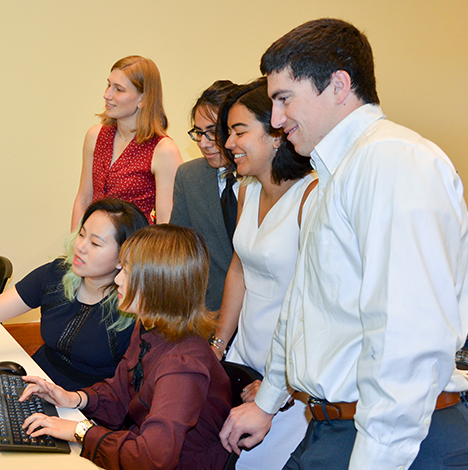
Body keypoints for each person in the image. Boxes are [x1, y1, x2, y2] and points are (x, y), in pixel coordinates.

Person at [219, 18, 468, 470]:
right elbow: (302, 306)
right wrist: (268, 400)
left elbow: (405, 338)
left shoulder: (395, 163)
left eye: (284, 99)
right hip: (332, 429)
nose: (276, 120)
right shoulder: (332, 176)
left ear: (338, 85)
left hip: (401, 440)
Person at [19, 224, 231, 470]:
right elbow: (120, 393)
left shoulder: (183, 366)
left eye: (127, 272)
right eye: (121, 268)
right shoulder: (150, 327)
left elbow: (152, 458)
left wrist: (80, 432)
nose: (117, 280)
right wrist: (73, 398)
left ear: (158, 285)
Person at [0, 198, 148, 391]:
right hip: (36, 379)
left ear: (124, 256)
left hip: (87, 404)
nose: (81, 247)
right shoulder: (56, 274)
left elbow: (129, 391)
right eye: (81, 234)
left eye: (95, 244)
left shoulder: (134, 307)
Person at [209, 78, 315, 470]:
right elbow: (239, 267)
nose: (229, 144)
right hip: (245, 354)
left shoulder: (312, 196)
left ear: (275, 135)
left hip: (289, 374)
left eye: (239, 132)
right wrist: (219, 346)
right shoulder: (247, 189)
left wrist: (280, 385)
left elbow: (313, 301)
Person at [71, 55, 183, 229]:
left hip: (133, 248)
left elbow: (165, 222)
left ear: (143, 99)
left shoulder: (163, 150)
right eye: (109, 85)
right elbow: (83, 199)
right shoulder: (95, 136)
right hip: (94, 244)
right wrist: (75, 246)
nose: (107, 95)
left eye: (119, 89)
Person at [171, 80, 240, 311]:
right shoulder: (189, 177)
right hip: (208, 312)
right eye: (198, 133)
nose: (204, 143)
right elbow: (179, 252)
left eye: (212, 133)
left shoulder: (265, 178)